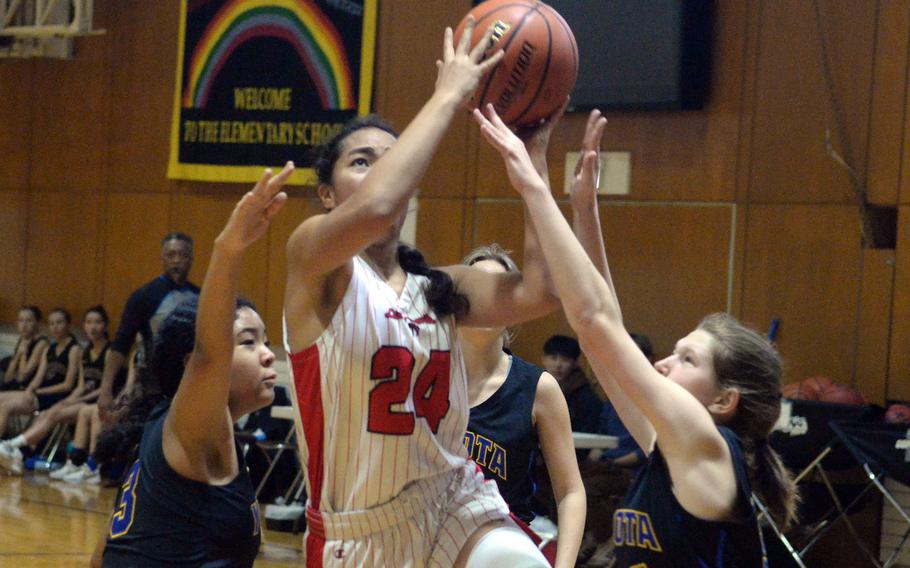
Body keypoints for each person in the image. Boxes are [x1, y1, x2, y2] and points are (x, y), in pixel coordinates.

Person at [474, 103, 799, 566]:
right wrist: (585, 210)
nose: (664, 363)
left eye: (688, 360)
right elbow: (598, 342)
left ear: (724, 400)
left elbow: (594, 321)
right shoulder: (673, 448)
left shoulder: (710, 447)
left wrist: (533, 185)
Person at [284, 19, 558, 567]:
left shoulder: (440, 288)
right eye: (362, 161)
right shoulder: (314, 260)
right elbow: (379, 207)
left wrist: (532, 163)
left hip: (452, 498)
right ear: (327, 195)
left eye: (392, 159)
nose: (384, 170)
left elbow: (542, 290)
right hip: (358, 532)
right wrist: (448, 95)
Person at [94, 164, 291, 566]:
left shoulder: (173, 430)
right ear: (193, 365)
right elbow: (210, 354)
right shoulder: (195, 425)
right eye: (249, 342)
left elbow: (102, 556)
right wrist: (229, 248)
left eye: (266, 341)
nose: (268, 354)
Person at [461, 244, 585, 568]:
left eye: (499, 292)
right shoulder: (424, 377)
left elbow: (571, 491)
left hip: (503, 553)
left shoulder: (538, 387)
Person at [97, 231, 199, 418]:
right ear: (162, 259)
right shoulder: (144, 296)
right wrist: (106, 389)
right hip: (153, 386)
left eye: (182, 255)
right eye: (171, 255)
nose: (176, 261)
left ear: (191, 259)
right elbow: (121, 343)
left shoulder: (199, 297)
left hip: (192, 383)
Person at [0, 306, 112, 475]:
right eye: (89, 322)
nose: (93, 327)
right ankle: (18, 450)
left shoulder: (84, 350)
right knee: (47, 413)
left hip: (83, 398)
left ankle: (12, 445)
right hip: (73, 397)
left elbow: (72, 385)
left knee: (50, 413)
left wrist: (63, 398)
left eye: (59, 323)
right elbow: (80, 386)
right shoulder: (83, 351)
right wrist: (32, 389)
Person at [0, 308, 81, 454]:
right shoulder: (50, 348)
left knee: (5, 407)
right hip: (40, 393)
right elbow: (39, 376)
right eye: (51, 324)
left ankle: (5, 447)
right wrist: (30, 389)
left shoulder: (74, 349)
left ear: (68, 325)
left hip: (55, 396)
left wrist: (38, 391)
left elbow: (68, 384)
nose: (55, 327)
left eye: (59, 323)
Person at [2, 306, 49, 391]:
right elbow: (7, 379)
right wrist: (18, 355)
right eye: (20, 320)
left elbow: (23, 377)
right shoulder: (23, 339)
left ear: (37, 323)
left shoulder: (42, 343)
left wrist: (23, 353)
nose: (23, 325)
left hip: (29, 388)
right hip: (14, 385)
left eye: (29, 321)